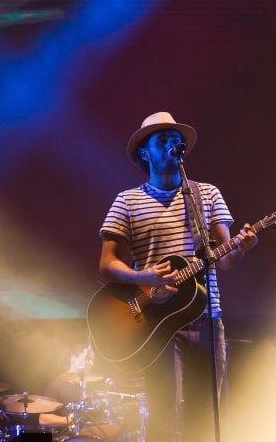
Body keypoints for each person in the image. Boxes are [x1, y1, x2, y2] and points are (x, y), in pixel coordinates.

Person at [98, 112, 258, 441]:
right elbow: (107, 264)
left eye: (175, 139)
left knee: (208, 415)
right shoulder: (127, 201)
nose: (172, 144)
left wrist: (241, 247)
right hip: (155, 322)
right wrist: (143, 276)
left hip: (207, 317)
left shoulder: (208, 195)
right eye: (162, 140)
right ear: (145, 152)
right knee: (164, 415)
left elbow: (225, 259)